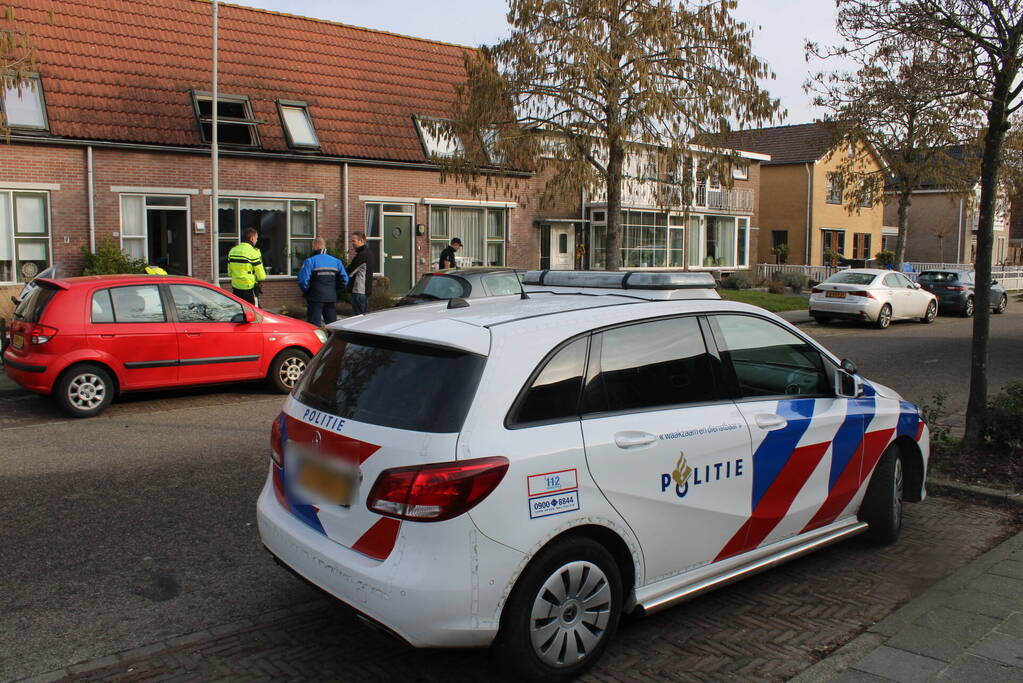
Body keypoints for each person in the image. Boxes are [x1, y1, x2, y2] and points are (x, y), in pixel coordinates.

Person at [298, 237, 349, 326]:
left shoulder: (310, 261)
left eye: (312, 246)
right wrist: (335, 291)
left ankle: (317, 340)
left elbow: (303, 281)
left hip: (315, 298)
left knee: (314, 326)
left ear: (316, 246)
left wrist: (308, 292)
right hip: (331, 298)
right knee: (332, 326)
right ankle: (333, 339)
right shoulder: (337, 261)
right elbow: (345, 280)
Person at [227, 228, 267, 304]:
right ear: (252, 238)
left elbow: (229, 272)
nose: (257, 240)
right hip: (249, 287)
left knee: (239, 309)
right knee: (251, 311)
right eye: (256, 238)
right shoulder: (253, 252)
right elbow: (261, 276)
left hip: (236, 287)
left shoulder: (233, 250)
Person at [346, 231, 375, 316]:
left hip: (359, 291)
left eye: (354, 241)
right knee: (363, 317)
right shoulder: (368, 253)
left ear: (361, 240)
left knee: (358, 318)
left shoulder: (362, 255)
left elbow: (350, 272)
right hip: (364, 291)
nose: (352, 243)